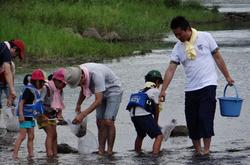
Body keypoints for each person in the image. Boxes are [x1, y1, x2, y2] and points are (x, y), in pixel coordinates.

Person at [159, 16, 234, 156]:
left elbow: (218, 57)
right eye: (175, 35)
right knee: (192, 121)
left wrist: (227, 76)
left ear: (187, 29)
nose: (178, 37)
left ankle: (206, 151)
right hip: (190, 89)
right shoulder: (178, 48)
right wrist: (163, 90)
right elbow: (171, 69)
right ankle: (198, 151)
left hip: (208, 84)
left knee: (205, 118)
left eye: (179, 34)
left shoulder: (205, 37)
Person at [64, 63, 123, 156]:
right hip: (100, 92)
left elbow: (98, 101)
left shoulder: (96, 75)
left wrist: (83, 114)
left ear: (82, 77)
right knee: (99, 121)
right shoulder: (77, 72)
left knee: (108, 121)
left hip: (113, 91)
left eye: (78, 83)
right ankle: (101, 150)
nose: (79, 85)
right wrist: (78, 104)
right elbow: (84, 89)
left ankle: (110, 151)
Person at [126, 70, 164, 156]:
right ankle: (155, 157)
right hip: (143, 115)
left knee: (141, 135)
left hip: (133, 115)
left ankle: (137, 154)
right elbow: (156, 109)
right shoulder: (155, 91)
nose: (159, 86)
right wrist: (156, 123)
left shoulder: (140, 90)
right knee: (159, 136)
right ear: (157, 82)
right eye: (160, 83)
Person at [12, 69, 45, 159]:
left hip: (30, 117)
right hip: (24, 117)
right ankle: (14, 155)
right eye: (41, 82)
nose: (42, 84)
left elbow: (36, 105)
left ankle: (31, 155)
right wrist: (21, 114)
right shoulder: (28, 90)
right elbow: (21, 103)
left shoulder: (34, 90)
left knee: (31, 136)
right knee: (22, 136)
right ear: (37, 81)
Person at [38, 68, 67, 157]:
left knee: (54, 135)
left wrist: (60, 114)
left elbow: (60, 104)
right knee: (50, 134)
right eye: (63, 83)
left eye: (65, 84)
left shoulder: (60, 90)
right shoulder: (45, 88)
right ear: (56, 80)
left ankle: (55, 155)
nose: (64, 85)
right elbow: (38, 103)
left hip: (52, 114)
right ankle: (49, 156)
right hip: (41, 114)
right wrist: (42, 116)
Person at [0, 39, 25, 107]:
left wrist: (11, 93)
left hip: (5, 83)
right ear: (14, 48)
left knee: (12, 104)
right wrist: (12, 90)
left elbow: (10, 75)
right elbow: (7, 72)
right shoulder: (5, 51)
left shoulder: (2, 48)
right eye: (16, 55)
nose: (14, 57)